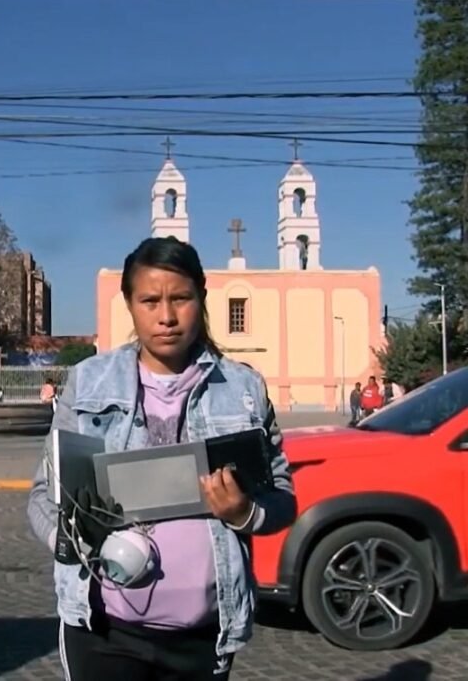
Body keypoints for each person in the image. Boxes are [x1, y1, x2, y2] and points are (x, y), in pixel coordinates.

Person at [26, 236, 296, 680]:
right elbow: (42, 495)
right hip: (105, 634)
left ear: (201, 298)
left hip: (204, 636)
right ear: (130, 305)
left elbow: (283, 498)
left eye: (180, 299)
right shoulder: (89, 382)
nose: (166, 316)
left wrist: (245, 513)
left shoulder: (243, 389)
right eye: (150, 301)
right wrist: (74, 538)